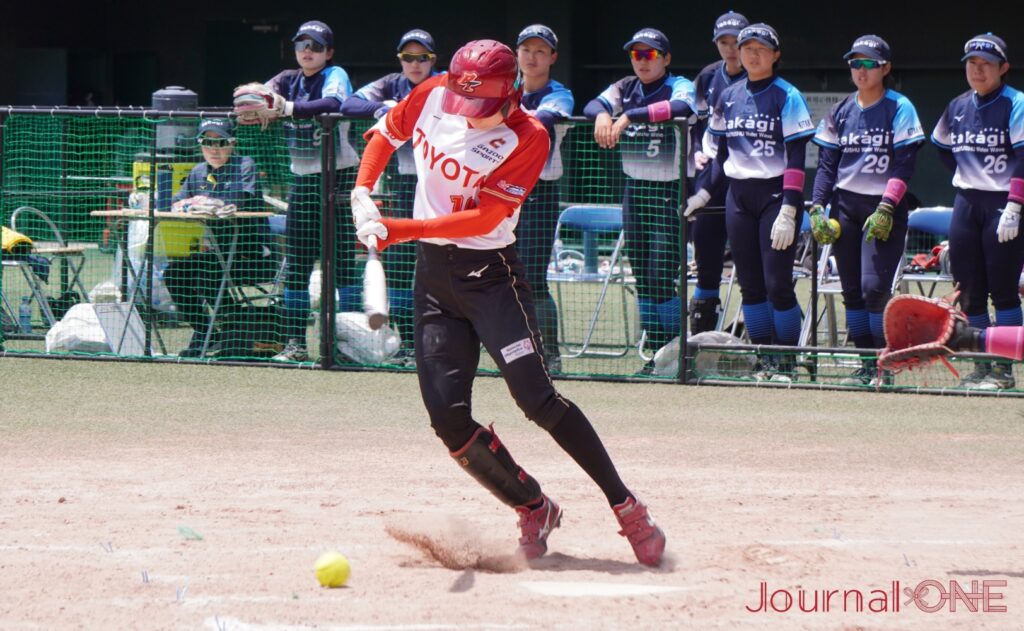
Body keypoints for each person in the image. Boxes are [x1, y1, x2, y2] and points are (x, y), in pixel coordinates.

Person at [350, 40, 666, 566]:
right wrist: (364, 188)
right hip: (434, 284)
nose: (468, 119)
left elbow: (483, 220)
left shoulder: (529, 135)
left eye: (480, 110)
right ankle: (532, 505)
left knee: (537, 399)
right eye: (463, 106)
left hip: (490, 279)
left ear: (511, 93)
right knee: (448, 419)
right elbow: (385, 135)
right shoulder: (435, 93)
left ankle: (627, 505)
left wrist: (401, 230)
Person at [684, 23, 816, 381]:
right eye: (746, 48)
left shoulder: (786, 95)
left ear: (775, 55)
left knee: (778, 283)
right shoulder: (728, 96)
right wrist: (702, 194)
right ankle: (763, 358)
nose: (752, 54)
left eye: (761, 48)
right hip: (737, 198)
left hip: (775, 197)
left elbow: (796, 156)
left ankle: (785, 358)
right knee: (751, 284)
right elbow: (719, 156)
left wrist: (790, 208)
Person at [809, 35, 926, 386]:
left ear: (885, 68)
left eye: (869, 63)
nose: (861, 70)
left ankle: (884, 365)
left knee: (875, 288)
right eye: (855, 63)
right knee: (851, 291)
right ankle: (865, 364)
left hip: (883, 207)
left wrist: (888, 206)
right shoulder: (841, 110)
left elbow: (905, 165)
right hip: (846, 206)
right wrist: (816, 207)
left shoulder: (899, 106)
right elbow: (827, 166)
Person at [583, 28, 697, 365]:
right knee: (642, 274)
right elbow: (593, 104)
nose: (642, 61)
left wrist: (632, 114)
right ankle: (657, 353)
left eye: (649, 54)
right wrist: (604, 114)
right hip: (635, 189)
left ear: (666, 58)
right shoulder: (624, 87)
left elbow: (683, 106)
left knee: (661, 271)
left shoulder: (679, 84)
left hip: (670, 188)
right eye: (636, 54)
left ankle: (678, 351)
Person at [262, 20, 360, 362]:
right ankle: (295, 344)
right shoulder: (287, 78)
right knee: (298, 264)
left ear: (328, 53)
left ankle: (350, 345)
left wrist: (285, 108)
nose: (308, 51)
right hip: (303, 180)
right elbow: (257, 94)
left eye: (316, 46)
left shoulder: (335, 74)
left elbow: (334, 101)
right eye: (302, 45)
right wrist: (254, 103)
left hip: (341, 177)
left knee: (344, 264)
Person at [932, 33, 1024, 390]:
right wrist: (970, 172)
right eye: (972, 63)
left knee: (1002, 290)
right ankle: (980, 366)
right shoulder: (957, 106)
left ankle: (1003, 370)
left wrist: (1015, 205)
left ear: (1003, 67)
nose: (978, 70)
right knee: (969, 291)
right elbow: (941, 146)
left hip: (1004, 204)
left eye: (986, 63)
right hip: (967, 202)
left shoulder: (1015, 103)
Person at [342, 29, 441, 358]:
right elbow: (349, 101)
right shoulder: (390, 84)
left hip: (440, 185)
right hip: (403, 183)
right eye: (408, 58)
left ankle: (441, 341)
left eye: (422, 57)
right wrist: (384, 109)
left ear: (433, 60)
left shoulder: (444, 85)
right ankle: (409, 344)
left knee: (437, 262)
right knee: (399, 264)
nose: (415, 64)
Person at [164, 118, 276, 357]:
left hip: (252, 256)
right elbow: (173, 202)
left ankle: (230, 329)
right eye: (207, 142)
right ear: (200, 144)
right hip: (217, 255)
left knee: (209, 272)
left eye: (221, 142)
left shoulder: (245, 165)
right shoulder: (198, 172)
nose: (214, 149)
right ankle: (207, 330)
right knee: (173, 273)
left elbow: (239, 199)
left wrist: (202, 202)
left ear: (232, 143)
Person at [513, 24, 574, 372]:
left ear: (552, 57)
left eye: (540, 51)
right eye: (526, 50)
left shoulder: (559, 94)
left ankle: (549, 354)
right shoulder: (504, 89)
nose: (532, 57)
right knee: (492, 277)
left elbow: (543, 120)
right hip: (497, 196)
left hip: (538, 194)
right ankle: (510, 349)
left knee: (532, 277)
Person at [688, 11, 750, 334]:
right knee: (706, 250)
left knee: (751, 260)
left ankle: (759, 337)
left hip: (747, 177)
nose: (730, 49)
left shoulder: (757, 75)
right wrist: (697, 149)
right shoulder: (707, 77)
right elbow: (699, 124)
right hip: (710, 174)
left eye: (736, 42)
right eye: (724, 42)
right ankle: (700, 340)